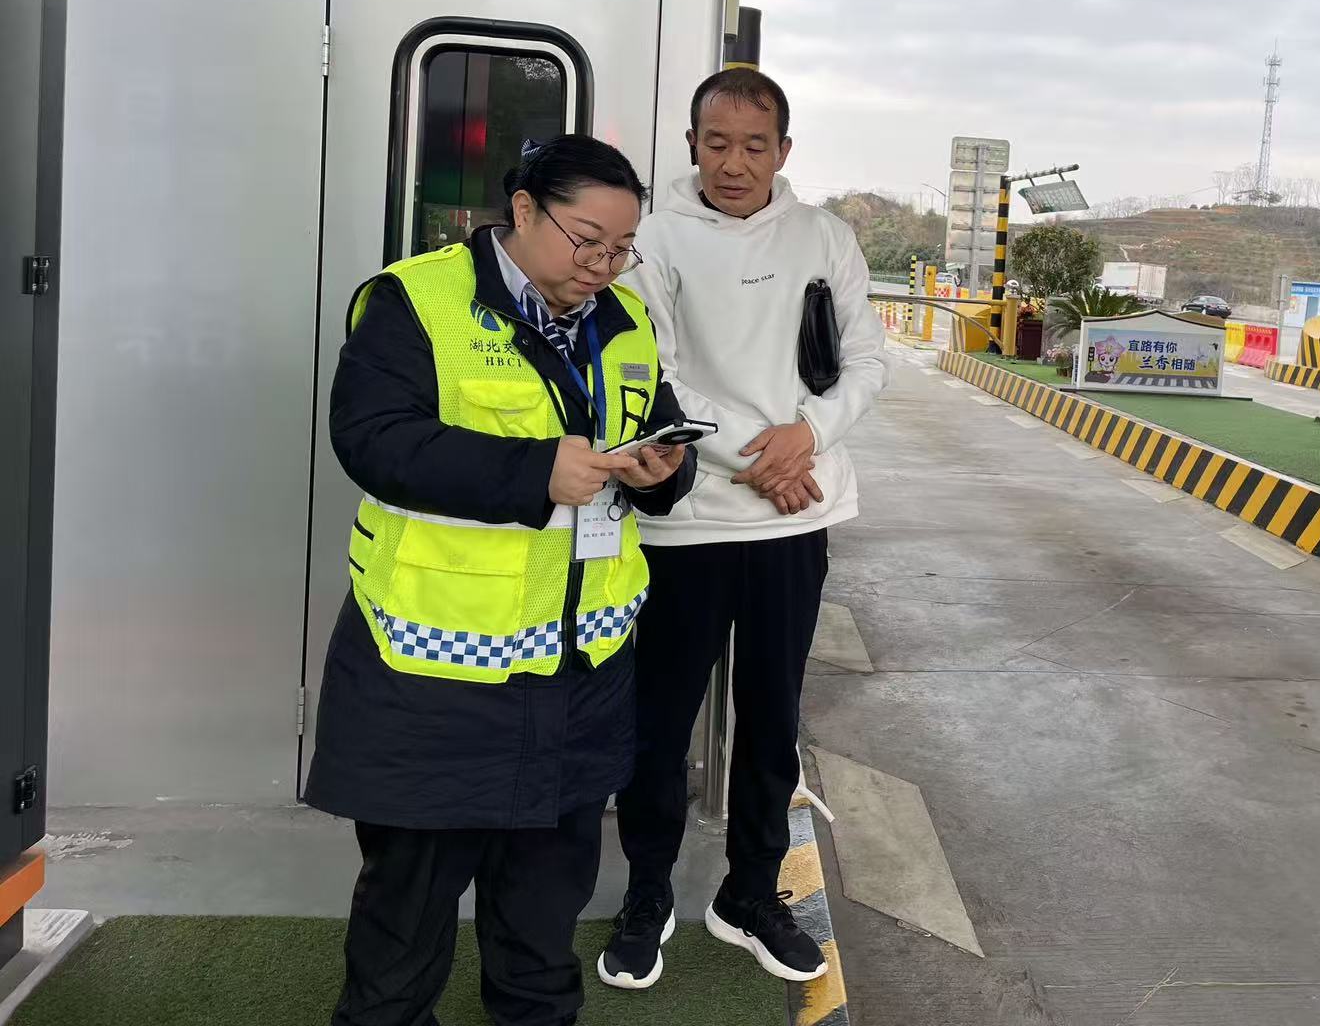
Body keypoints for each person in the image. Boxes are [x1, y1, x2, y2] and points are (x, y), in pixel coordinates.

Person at [306, 135, 696, 1026]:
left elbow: (659, 428)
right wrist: (533, 472)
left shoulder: (623, 320)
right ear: (523, 209)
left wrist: (662, 471)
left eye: (621, 249)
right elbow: (373, 440)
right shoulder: (415, 300)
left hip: (578, 674)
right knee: (404, 927)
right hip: (435, 676)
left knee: (542, 924)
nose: (602, 266)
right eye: (586, 240)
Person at [600, 69, 888, 989]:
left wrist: (810, 436)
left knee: (772, 721)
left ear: (783, 151)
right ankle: (648, 892)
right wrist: (765, 457)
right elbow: (654, 372)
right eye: (716, 143)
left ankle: (751, 895)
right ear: (692, 144)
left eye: (754, 145)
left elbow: (867, 360)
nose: (734, 163)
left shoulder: (825, 236)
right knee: (659, 724)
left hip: (797, 519)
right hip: (689, 522)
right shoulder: (652, 238)